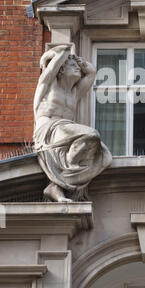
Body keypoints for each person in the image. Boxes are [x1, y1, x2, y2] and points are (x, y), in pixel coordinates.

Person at [33, 45, 112, 202]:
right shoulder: (48, 84)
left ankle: (58, 184)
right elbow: (63, 51)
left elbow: (91, 72)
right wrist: (51, 55)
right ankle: (66, 175)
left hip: (65, 129)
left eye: (78, 67)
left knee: (105, 157)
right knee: (91, 134)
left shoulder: (74, 92)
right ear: (61, 69)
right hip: (49, 128)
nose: (78, 69)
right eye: (73, 66)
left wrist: (79, 61)